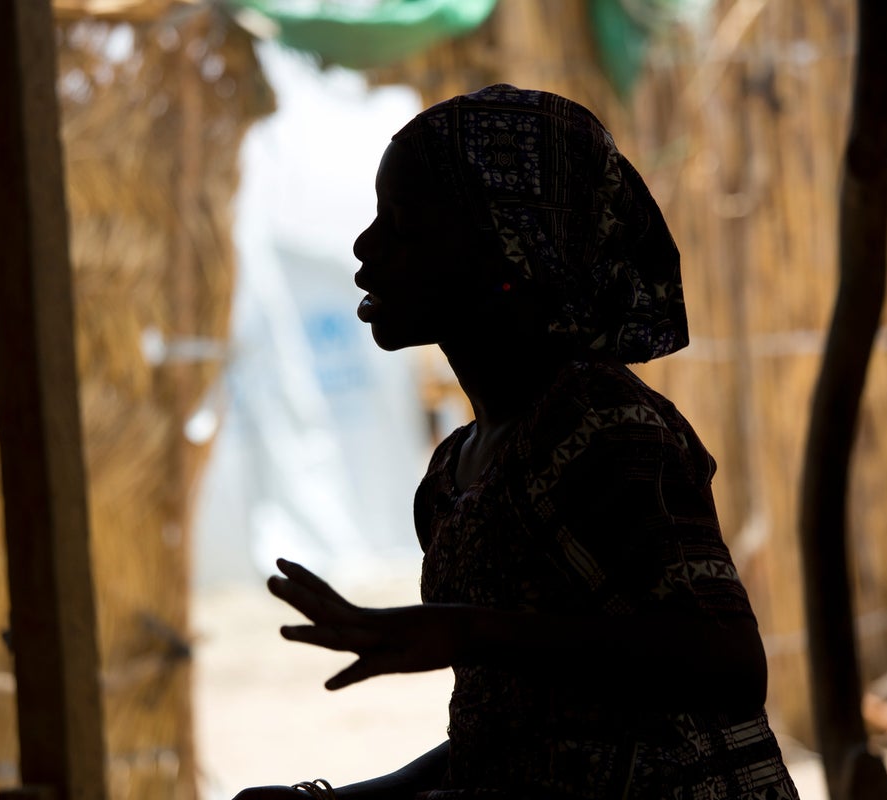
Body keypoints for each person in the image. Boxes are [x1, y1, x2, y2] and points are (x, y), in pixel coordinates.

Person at [235, 85, 800, 800]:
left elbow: (728, 665)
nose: (365, 245)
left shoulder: (607, 430)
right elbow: (507, 739)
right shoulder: (453, 475)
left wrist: (465, 631)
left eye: (404, 224)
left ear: (507, 250)